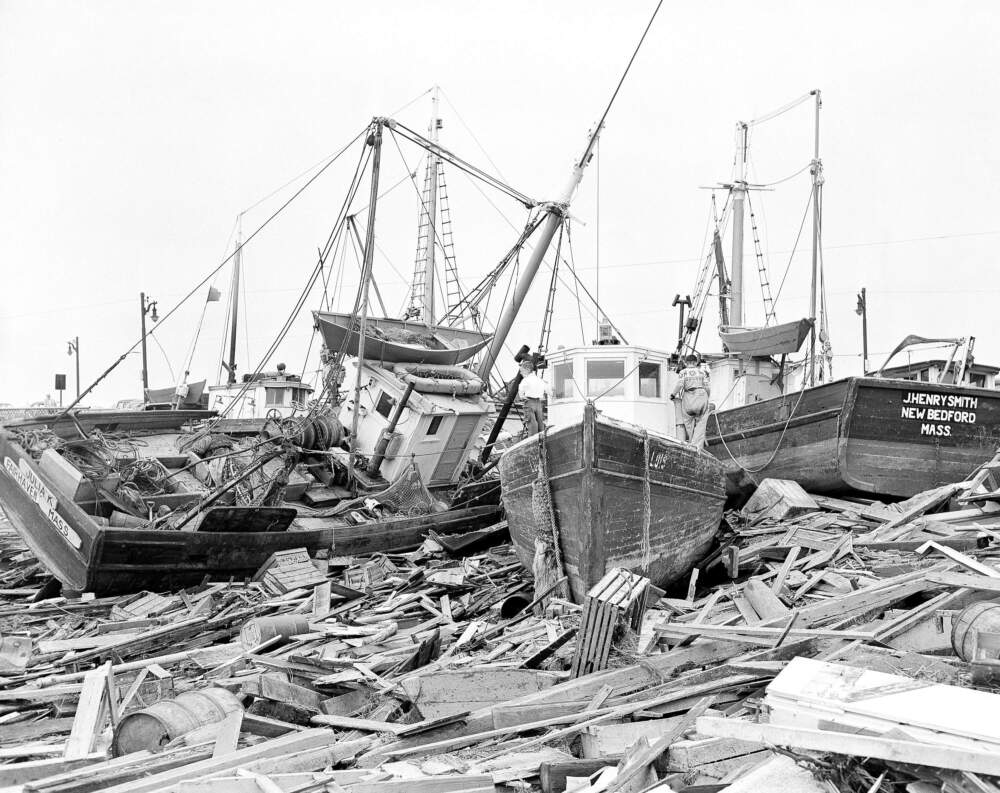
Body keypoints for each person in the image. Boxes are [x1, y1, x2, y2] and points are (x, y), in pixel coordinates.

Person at [671, 352, 711, 447]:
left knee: (688, 421)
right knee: (701, 423)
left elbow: (680, 384)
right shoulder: (702, 372)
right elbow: (707, 387)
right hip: (702, 396)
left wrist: (673, 394)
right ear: (696, 362)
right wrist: (707, 397)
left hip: (688, 397)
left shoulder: (683, 372)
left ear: (685, 362)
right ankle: (697, 446)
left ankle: (691, 442)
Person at [518, 359, 547, 436]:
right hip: (538, 402)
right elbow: (546, 389)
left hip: (529, 402)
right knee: (540, 422)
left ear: (527, 370)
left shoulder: (525, 380)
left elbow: (521, 390)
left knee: (532, 423)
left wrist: (522, 397)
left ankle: (533, 440)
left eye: (522, 371)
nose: (521, 373)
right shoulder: (539, 380)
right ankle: (542, 438)